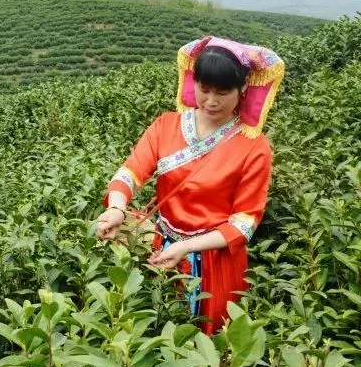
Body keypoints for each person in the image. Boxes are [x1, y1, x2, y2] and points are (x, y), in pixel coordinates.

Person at [95, 36, 284, 333]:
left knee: (210, 341)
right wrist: (118, 208)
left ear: (243, 89)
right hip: (163, 246)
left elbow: (244, 223)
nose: (211, 101)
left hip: (214, 260)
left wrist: (188, 246)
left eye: (222, 92)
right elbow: (129, 173)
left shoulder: (254, 147)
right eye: (204, 89)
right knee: (159, 329)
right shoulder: (166, 125)